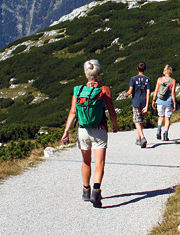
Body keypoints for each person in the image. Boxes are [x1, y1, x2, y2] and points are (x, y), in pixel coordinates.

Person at [61, 59, 118, 208]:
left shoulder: (78, 90)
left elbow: (73, 112)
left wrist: (66, 131)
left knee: (86, 161)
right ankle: (96, 191)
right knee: (99, 163)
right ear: (98, 73)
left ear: (85, 73)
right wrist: (115, 126)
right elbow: (112, 112)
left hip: (82, 130)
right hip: (100, 130)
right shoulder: (104, 90)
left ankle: (86, 190)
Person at [126, 61, 151, 148]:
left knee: (136, 121)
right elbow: (148, 93)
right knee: (141, 121)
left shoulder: (133, 79)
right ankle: (138, 139)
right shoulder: (148, 79)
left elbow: (130, 91)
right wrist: (147, 105)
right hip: (144, 102)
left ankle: (143, 137)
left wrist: (126, 94)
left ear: (137, 68)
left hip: (136, 102)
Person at [151, 64, 177, 141]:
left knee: (160, 116)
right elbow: (173, 93)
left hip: (160, 101)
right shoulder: (173, 81)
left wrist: (153, 100)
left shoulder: (160, 80)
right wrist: (174, 103)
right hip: (168, 102)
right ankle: (165, 134)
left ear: (164, 71)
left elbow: (156, 90)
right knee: (167, 118)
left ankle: (159, 130)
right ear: (170, 72)